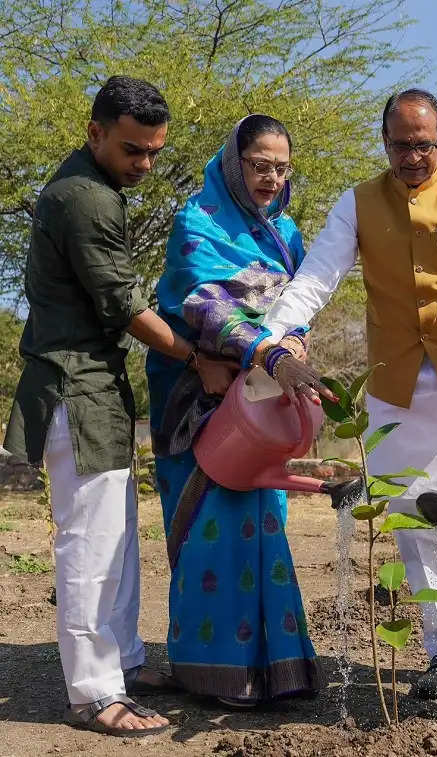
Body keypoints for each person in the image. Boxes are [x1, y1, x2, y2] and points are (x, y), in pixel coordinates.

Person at [263, 89, 437, 700]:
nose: (412, 157)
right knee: (413, 519)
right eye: (400, 146)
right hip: (395, 387)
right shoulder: (359, 203)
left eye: (424, 145)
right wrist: (283, 334)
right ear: (385, 143)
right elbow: (317, 275)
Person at [3, 76, 236, 737]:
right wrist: (200, 356)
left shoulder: (95, 187)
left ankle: (124, 660)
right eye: (134, 150)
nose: (146, 165)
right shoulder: (84, 200)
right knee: (92, 540)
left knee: (120, 532)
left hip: (95, 384)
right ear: (94, 132)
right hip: (73, 385)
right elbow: (123, 304)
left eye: (156, 152)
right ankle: (93, 692)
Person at [145, 114, 322, 708]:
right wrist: (266, 351)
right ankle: (205, 670)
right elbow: (201, 303)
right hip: (198, 398)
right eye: (259, 165)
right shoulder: (197, 221)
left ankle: (275, 670)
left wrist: (292, 344)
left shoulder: (289, 233)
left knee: (264, 521)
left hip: (261, 399)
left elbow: (298, 304)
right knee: (208, 532)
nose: (271, 177)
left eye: (280, 166)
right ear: (233, 163)